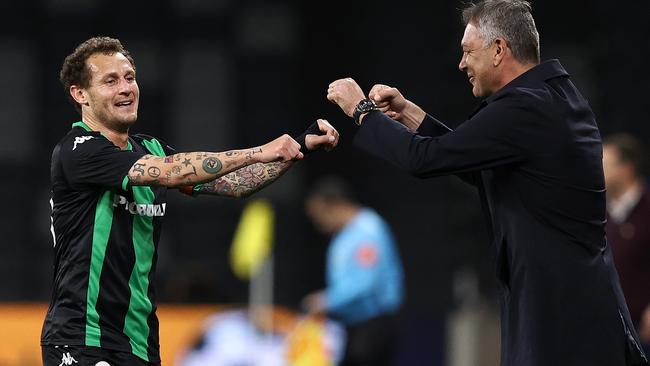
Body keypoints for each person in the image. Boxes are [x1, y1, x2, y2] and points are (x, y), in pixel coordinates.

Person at [326, 0, 648, 365]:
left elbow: (426, 159)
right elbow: (478, 164)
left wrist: (361, 112)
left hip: (561, 313)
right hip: (574, 303)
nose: (462, 63)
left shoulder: (523, 107)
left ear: (498, 49)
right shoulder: (553, 96)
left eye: (467, 51)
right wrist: (411, 115)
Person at [41, 36, 339, 366]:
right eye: (110, 81)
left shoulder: (150, 147)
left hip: (138, 342)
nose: (126, 88)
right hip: (80, 337)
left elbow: (234, 184)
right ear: (80, 94)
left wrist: (298, 147)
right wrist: (259, 150)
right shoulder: (78, 149)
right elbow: (172, 173)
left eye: (129, 77)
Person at [302, 176, 405, 366]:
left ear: (334, 206)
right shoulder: (343, 235)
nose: (319, 225)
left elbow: (365, 281)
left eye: (319, 216)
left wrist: (326, 300)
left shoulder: (368, 229)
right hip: (352, 325)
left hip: (373, 324)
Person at [602, 133, 650, 354]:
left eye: (605, 163)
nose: (598, 170)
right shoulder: (599, 216)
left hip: (644, 334)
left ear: (627, 168)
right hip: (608, 333)